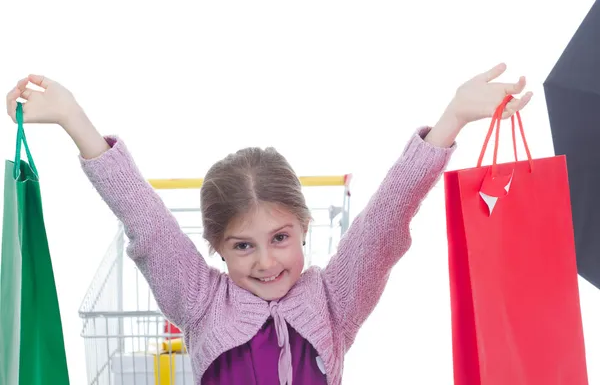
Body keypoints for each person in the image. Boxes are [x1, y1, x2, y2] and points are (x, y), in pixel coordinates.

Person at [5, 63, 532, 385]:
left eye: (279, 238)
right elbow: (144, 219)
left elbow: (386, 221)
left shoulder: (333, 299)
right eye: (242, 245)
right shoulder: (201, 300)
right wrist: (74, 119)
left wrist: (452, 119)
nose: (264, 261)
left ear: (304, 227)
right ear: (216, 247)